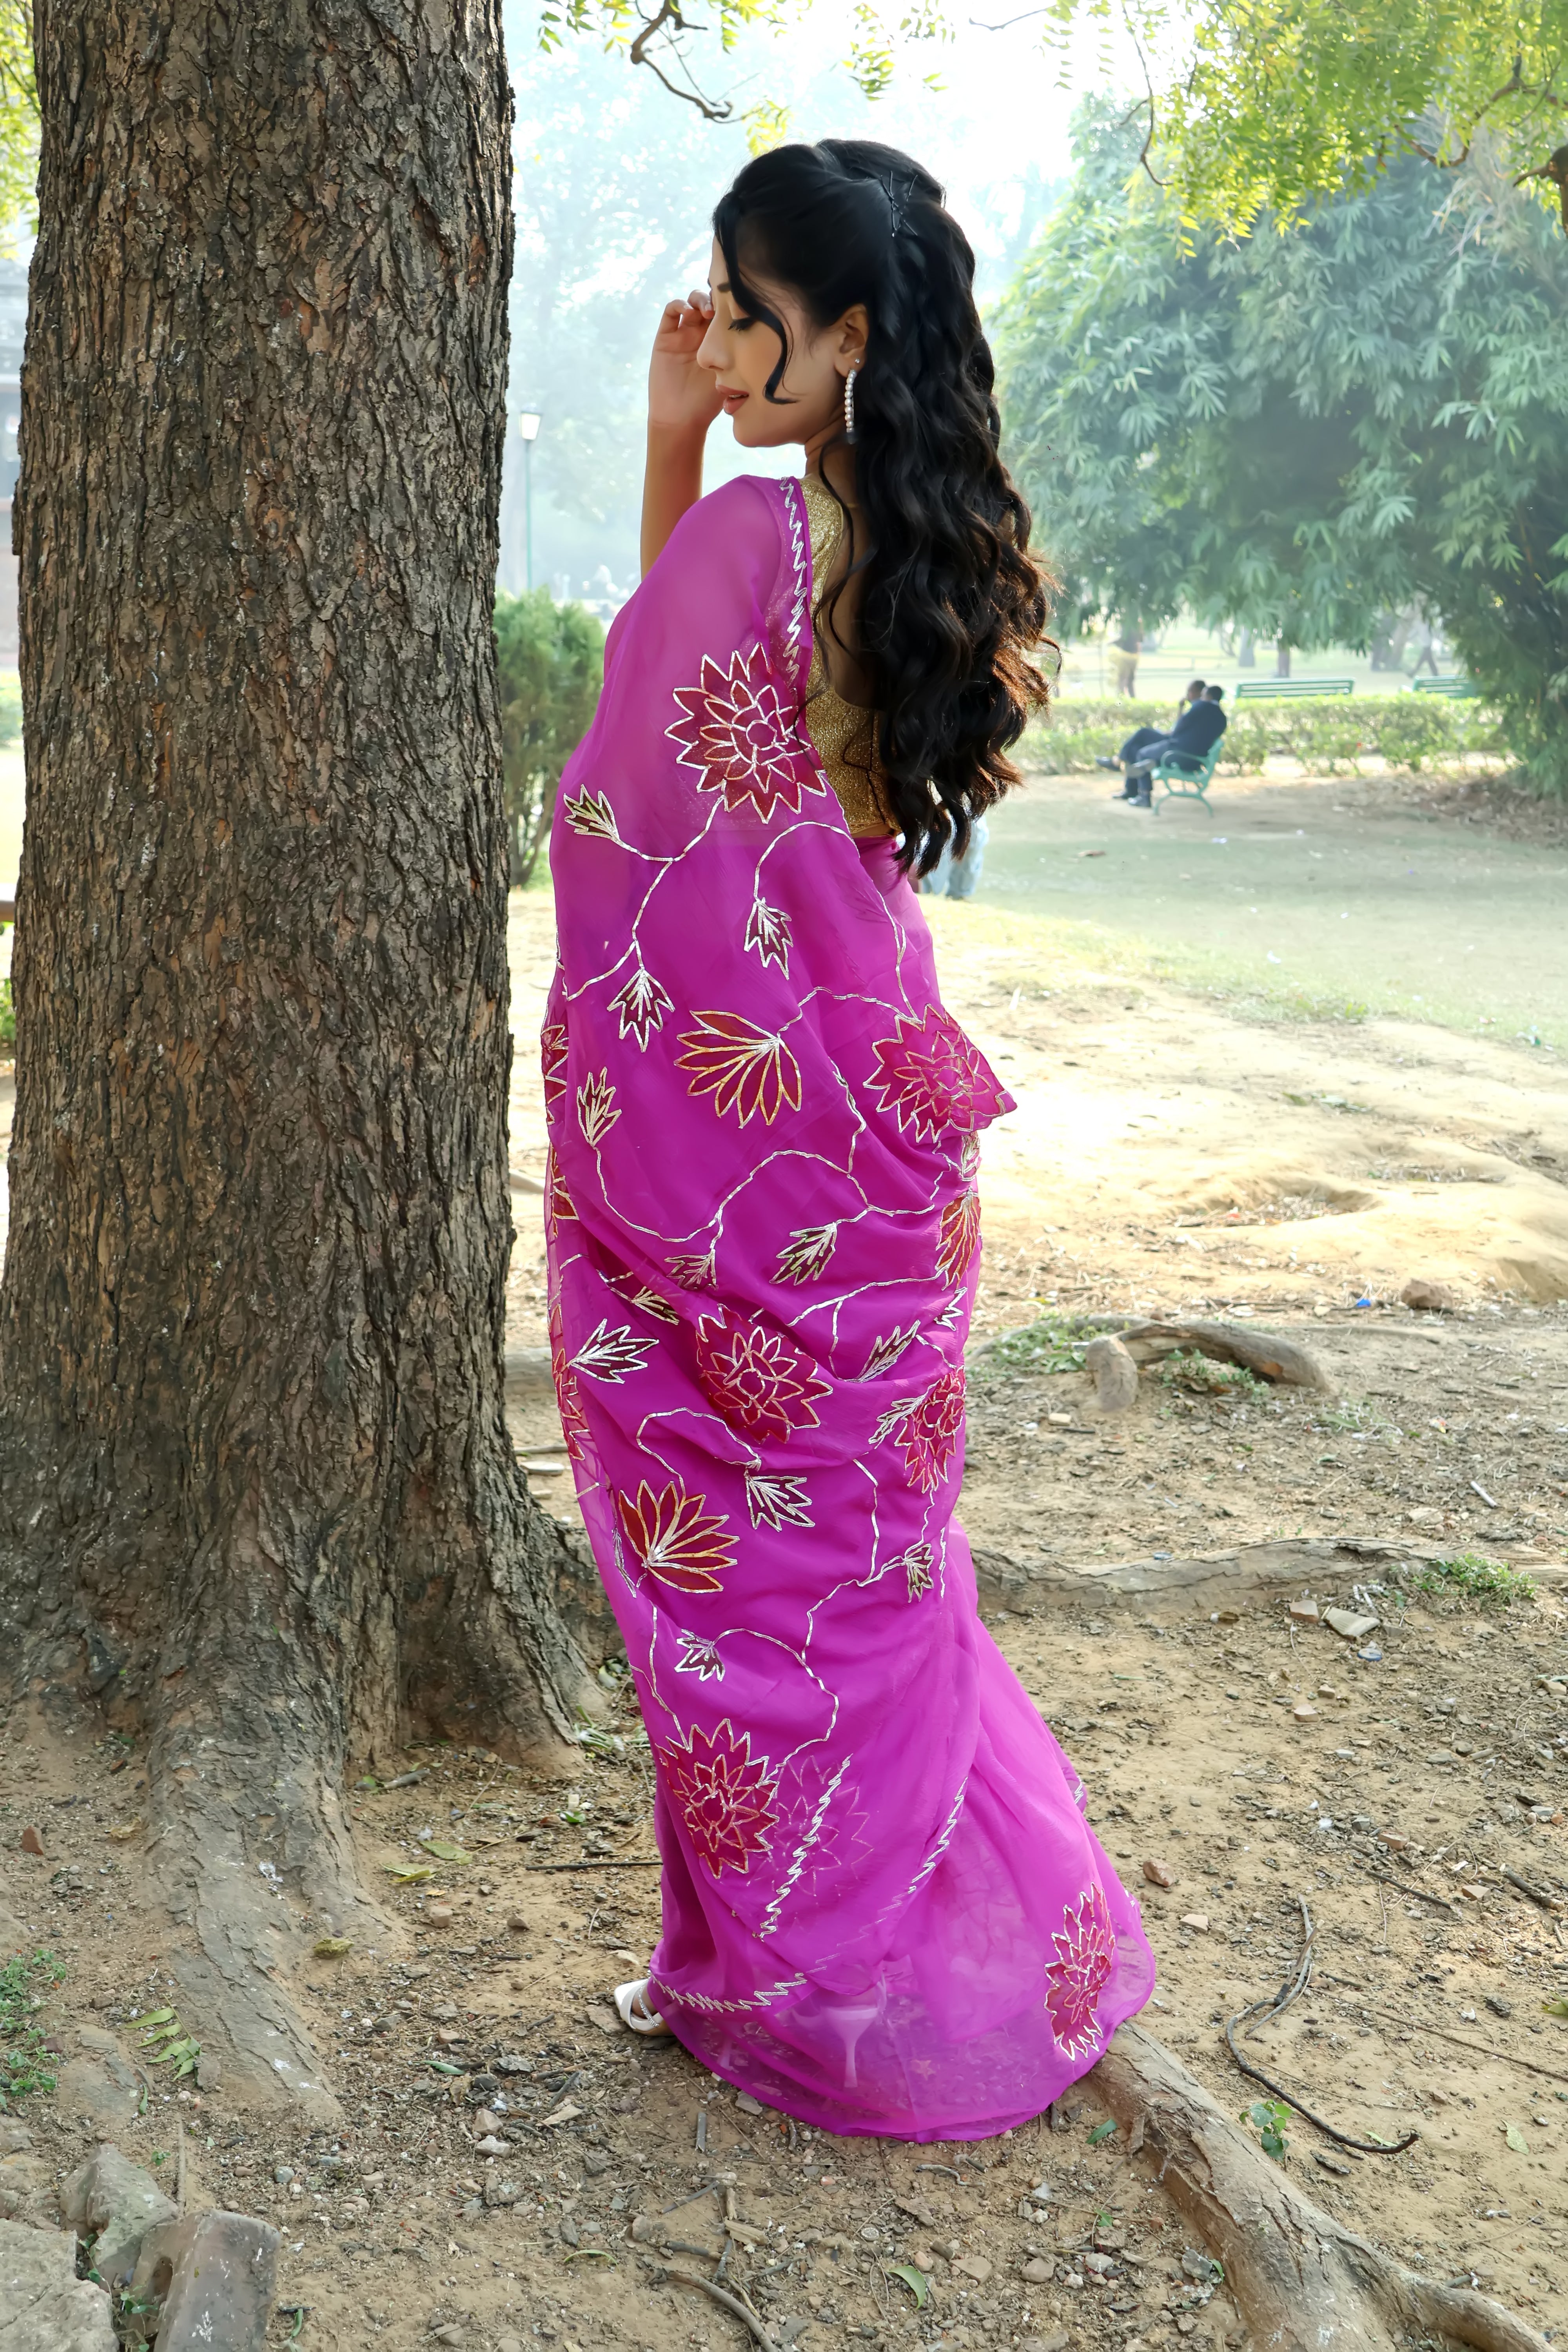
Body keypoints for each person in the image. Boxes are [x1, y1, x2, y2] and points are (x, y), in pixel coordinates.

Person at [543, 139, 1154, 2140]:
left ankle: (779, 1980)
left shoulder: (744, 543)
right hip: (882, 1177)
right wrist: (679, 442)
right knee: (865, 1588)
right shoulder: (927, 565)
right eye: (713, 303)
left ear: (847, 335)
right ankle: (854, 1952)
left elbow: (631, 785)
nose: (713, 341)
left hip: (738, 1204)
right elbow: (731, 764)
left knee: (739, 1596)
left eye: (742, 311)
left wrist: (668, 462)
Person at [1102, 683, 1227, 808]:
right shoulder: (1222, 718)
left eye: (1203, 695)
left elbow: (1178, 729)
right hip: (1194, 760)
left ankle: (1144, 796)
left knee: (1141, 752)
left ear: (1208, 697)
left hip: (1177, 752)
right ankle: (1132, 790)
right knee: (1141, 742)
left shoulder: (1201, 706)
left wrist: (1181, 710)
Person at [1096, 679, 1205, 787]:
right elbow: (1180, 728)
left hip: (1175, 746)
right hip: (1175, 742)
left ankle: (1117, 761)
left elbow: (1178, 731)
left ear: (1199, 693)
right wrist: (1181, 708)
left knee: (1143, 733)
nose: (1188, 695)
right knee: (1135, 748)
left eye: (1190, 691)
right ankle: (1132, 791)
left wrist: (1168, 733)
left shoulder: (1198, 709)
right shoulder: (1199, 709)